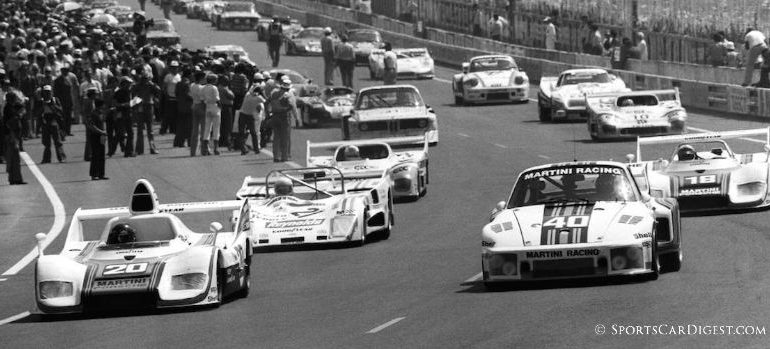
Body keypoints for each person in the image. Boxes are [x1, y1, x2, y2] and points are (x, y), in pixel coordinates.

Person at [132, 72, 160, 155]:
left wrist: (152, 84)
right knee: (140, 129)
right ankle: (139, 149)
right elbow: (132, 93)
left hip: (149, 106)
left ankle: (152, 148)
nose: (145, 81)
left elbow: (158, 90)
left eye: (146, 79)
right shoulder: (137, 86)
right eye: (144, 79)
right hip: (141, 106)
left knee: (150, 129)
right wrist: (135, 105)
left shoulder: (151, 85)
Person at [269, 77, 297, 162]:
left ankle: (276, 156)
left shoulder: (274, 93)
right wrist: (296, 118)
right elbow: (293, 107)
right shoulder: (289, 94)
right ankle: (284, 157)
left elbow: (269, 103)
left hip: (275, 116)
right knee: (285, 138)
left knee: (276, 137)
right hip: (284, 117)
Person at [37, 85, 66, 163]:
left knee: (57, 141)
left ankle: (61, 157)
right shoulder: (41, 101)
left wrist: (53, 105)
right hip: (45, 122)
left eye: (49, 92)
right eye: (45, 92)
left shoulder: (55, 100)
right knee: (46, 142)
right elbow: (38, 113)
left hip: (54, 121)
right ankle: (46, 159)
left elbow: (61, 110)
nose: (47, 94)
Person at [3, 91, 26, 185]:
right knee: (14, 158)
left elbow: (21, 107)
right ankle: (15, 178)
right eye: (13, 97)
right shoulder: (8, 109)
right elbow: (9, 123)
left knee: (13, 158)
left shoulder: (11, 107)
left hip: (13, 135)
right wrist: (12, 134)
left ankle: (14, 178)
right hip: (11, 136)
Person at [238, 82, 265, 155]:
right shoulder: (258, 98)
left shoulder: (247, 95)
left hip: (242, 114)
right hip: (249, 116)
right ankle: (256, 149)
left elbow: (250, 91)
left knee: (241, 132)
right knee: (254, 133)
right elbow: (265, 100)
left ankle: (243, 149)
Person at [112, 77, 135, 157]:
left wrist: (132, 103)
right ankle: (112, 150)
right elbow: (115, 104)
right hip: (121, 114)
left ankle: (128, 152)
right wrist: (124, 104)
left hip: (128, 113)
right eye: (128, 83)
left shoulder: (130, 92)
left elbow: (134, 101)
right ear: (123, 83)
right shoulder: (118, 92)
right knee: (120, 133)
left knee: (129, 133)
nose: (129, 85)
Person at [86, 99, 108, 180]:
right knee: (95, 155)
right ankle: (94, 174)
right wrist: (101, 132)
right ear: (100, 105)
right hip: (95, 136)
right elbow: (92, 126)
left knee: (102, 155)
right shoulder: (93, 114)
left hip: (101, 136)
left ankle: (101, 174)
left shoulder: (101, 113)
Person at [201, 73, 221, 155]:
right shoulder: (214, 88)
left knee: (207, 129)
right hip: (215, 107)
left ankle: (206, 148)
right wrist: (220, 106)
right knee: (216, 128)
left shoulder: (203, 88)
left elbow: (202, 98)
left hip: (207, 107)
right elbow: (217, 99)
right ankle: (216, 148)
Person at [174, 67, 192, 147]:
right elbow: (188, 95)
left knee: (180, 125)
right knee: (189, 126)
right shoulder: (187, 83)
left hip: (180, 106)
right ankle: (190, 142)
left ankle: (178, 142)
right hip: (188, 107)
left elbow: (176, 94)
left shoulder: (179, 83)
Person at [161, 60, 181, 135]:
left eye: (176, 67)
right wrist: (166, 95)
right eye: (173, 67)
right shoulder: (168, 76)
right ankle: (163, 129)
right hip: (169, 97)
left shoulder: (179, 76)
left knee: (175, 115)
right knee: (167, 115)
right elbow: (164, 87)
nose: (174, 69)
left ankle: (174, 129)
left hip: (177, 98)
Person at [217, 75, 234, 150]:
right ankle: (226, 141)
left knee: (222, 125)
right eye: (226, 80)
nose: (228, 81)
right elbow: (232, 96)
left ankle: (221, 141)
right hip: (226, 107)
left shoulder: (218, 88)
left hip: (222, 107)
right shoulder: (224, 89)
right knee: (227, 125)